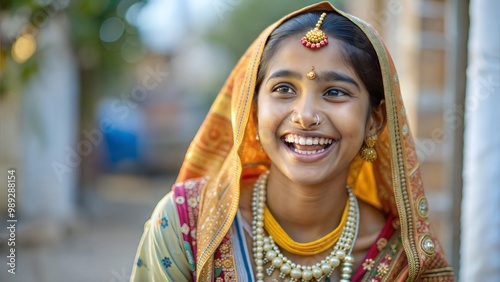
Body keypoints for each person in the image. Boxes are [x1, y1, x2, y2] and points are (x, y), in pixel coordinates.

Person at [130, 2, 454, 281]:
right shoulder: (187, 225)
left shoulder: (407, 260)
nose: (305, 116)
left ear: (375, 120)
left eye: (335, 92)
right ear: (252, 110)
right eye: (284, 89)